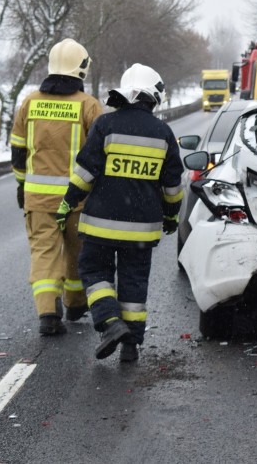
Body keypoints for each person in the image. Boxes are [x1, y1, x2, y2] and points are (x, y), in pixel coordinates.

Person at [56, 63, 184, 362]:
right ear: (153, 97)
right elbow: (172, 186)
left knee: (93, 271)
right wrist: (171, 215)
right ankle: (131, 345)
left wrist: (67, 203)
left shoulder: (105, 126)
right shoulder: (163, 133)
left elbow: (85, 173)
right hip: (142, 229)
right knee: (134, 283)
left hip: (101, 225)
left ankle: (110, 324)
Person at [10, 38, 102, 336]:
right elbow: (101, 154)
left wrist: (21, 184)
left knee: (44, 255)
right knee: (78, 253)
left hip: (38, 200)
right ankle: (75, 304)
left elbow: (18, 149)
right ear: (82, 69)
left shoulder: (30, 102)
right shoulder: (89, 106)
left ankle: (48, 313)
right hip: (77, 201)